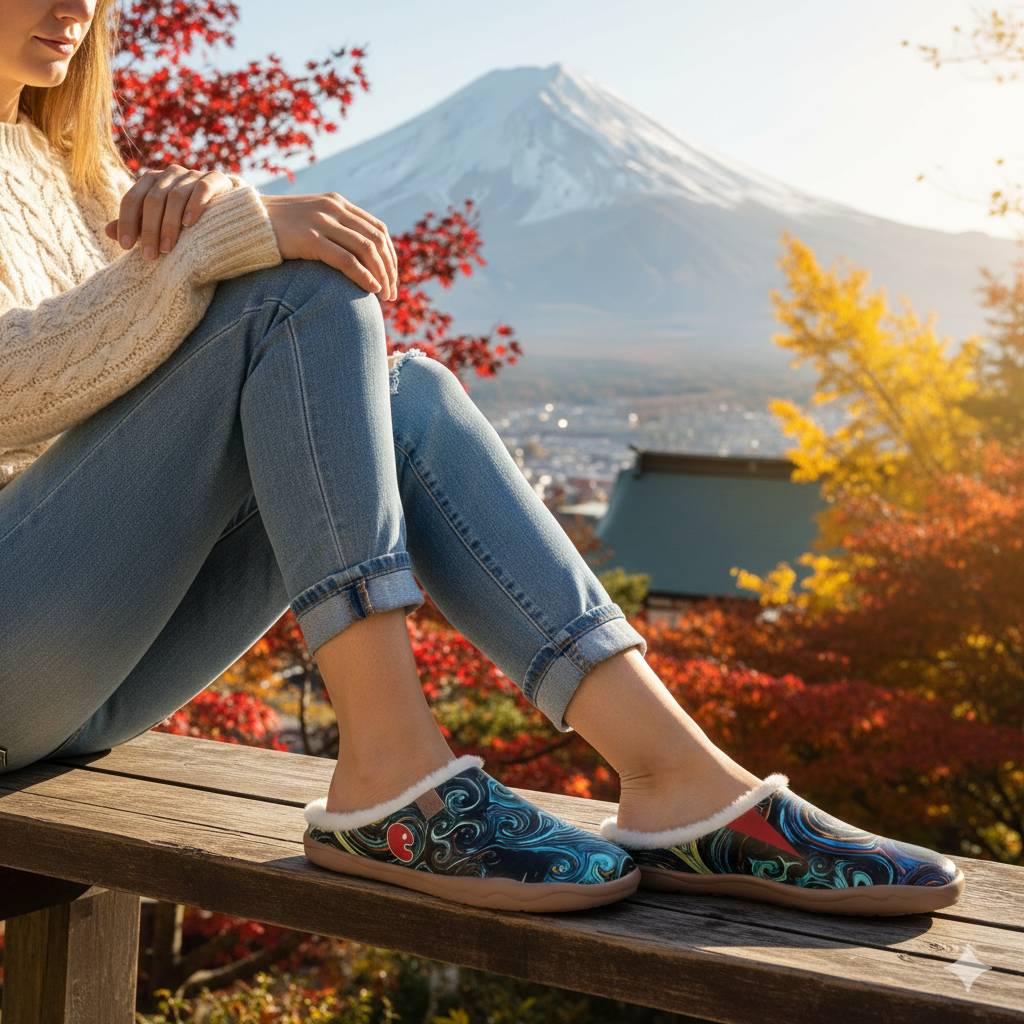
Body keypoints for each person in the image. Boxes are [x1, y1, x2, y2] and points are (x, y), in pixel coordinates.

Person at [0, 0, 964, 916]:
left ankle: (679, 783)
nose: (76, 4)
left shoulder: (70, 173)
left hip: (80, 673)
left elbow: (137, 384)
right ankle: (387, 767)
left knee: (406, 397)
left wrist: (191, 231)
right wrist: (227, 242)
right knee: (297, 291)